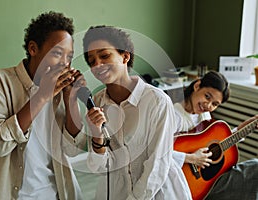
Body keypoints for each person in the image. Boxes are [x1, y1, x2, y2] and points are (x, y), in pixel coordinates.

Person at [0, 11, 86, 200]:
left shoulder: (62, 90)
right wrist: (42, 95)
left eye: (69, 56)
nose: (64, 63)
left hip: (58, 194)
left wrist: (70, 98)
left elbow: (73, 149)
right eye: (57, 53)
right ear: (33, 48)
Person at [82, 25, 192, 200]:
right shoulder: (97, 102)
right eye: (91, 60)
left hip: (156, 192)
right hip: (114, 191)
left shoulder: (157, 101)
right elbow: (98, 167)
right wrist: (97, 135)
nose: (97, 65)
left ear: (125, 56)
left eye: (104, 56)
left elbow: (157, 165)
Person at [173, 70, 258, 200]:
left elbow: (216, 142)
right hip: (180, 182)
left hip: (207, 179)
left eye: (215, 104)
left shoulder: (204, 115)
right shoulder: (173, 115)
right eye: (207, 96)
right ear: (197, 86)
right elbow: (158, 152)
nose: (208, 105)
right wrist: (191, 158)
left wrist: (243, 129)